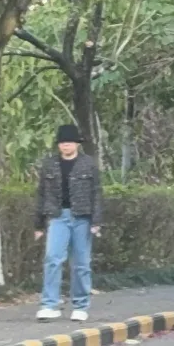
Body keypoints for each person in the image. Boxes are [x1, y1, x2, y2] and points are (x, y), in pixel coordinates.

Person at [35, 124, 104, 322]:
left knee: (81, 263)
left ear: (76, 144)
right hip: (58, 217)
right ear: (58, 145)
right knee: (52, 258)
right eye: (62, 142)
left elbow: (96, 193)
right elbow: (42, 194)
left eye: (70, 142)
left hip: (82, 217)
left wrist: (96, 221)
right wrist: (38, 224)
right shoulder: (49, 164)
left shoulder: (88, 164)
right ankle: (49, 305)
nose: (66, 145)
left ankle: (81, 305)